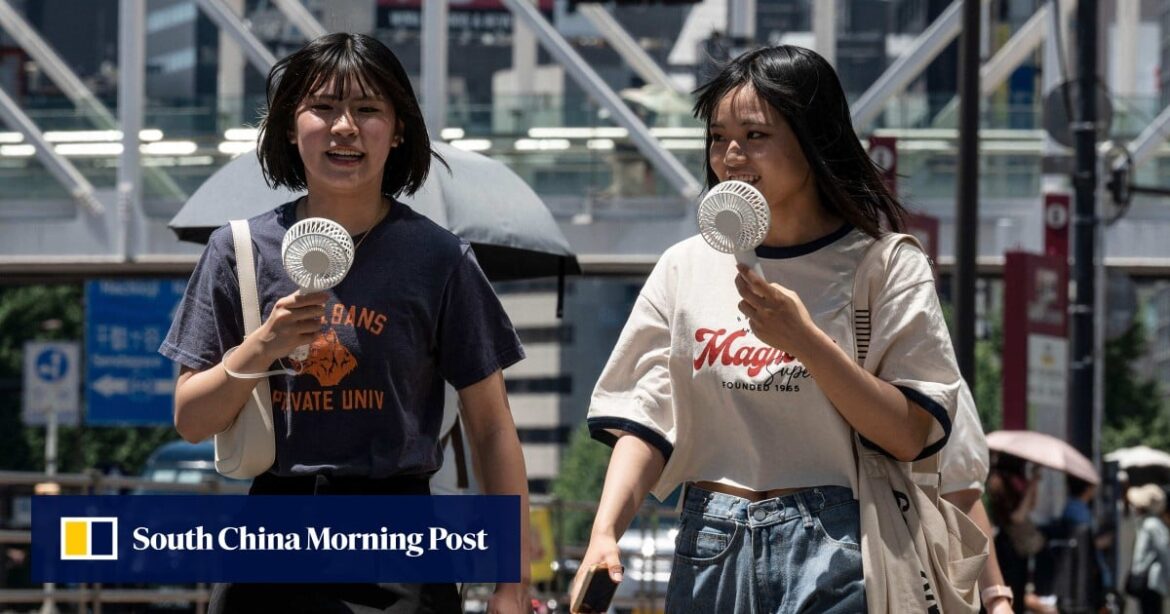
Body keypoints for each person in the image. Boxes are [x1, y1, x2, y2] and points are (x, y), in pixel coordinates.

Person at [574, 45, 963, 613]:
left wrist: (804, 340)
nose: (731, 155)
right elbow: (647, 417)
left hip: (839, 541)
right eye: (718, 137)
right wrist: (605, 530)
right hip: (711, 539)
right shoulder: (685, 266)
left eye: (755, 135)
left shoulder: (883, 266)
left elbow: (909, 434)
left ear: (813, 138)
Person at [159, 33, 530, 614]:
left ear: (398, 130)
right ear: (290, 126)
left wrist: (512, 584)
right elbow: (190, 419)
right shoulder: (239, 251)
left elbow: (491, 427)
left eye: (368, 109)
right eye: (323, 107)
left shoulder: (438, 259)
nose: (344, 127)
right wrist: (263, 345)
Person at [1127, 484, 1170, 614]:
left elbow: (1165, 553)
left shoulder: (1151, 524)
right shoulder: (1149, 524)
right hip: (1149, 583)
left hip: (1151, 583)